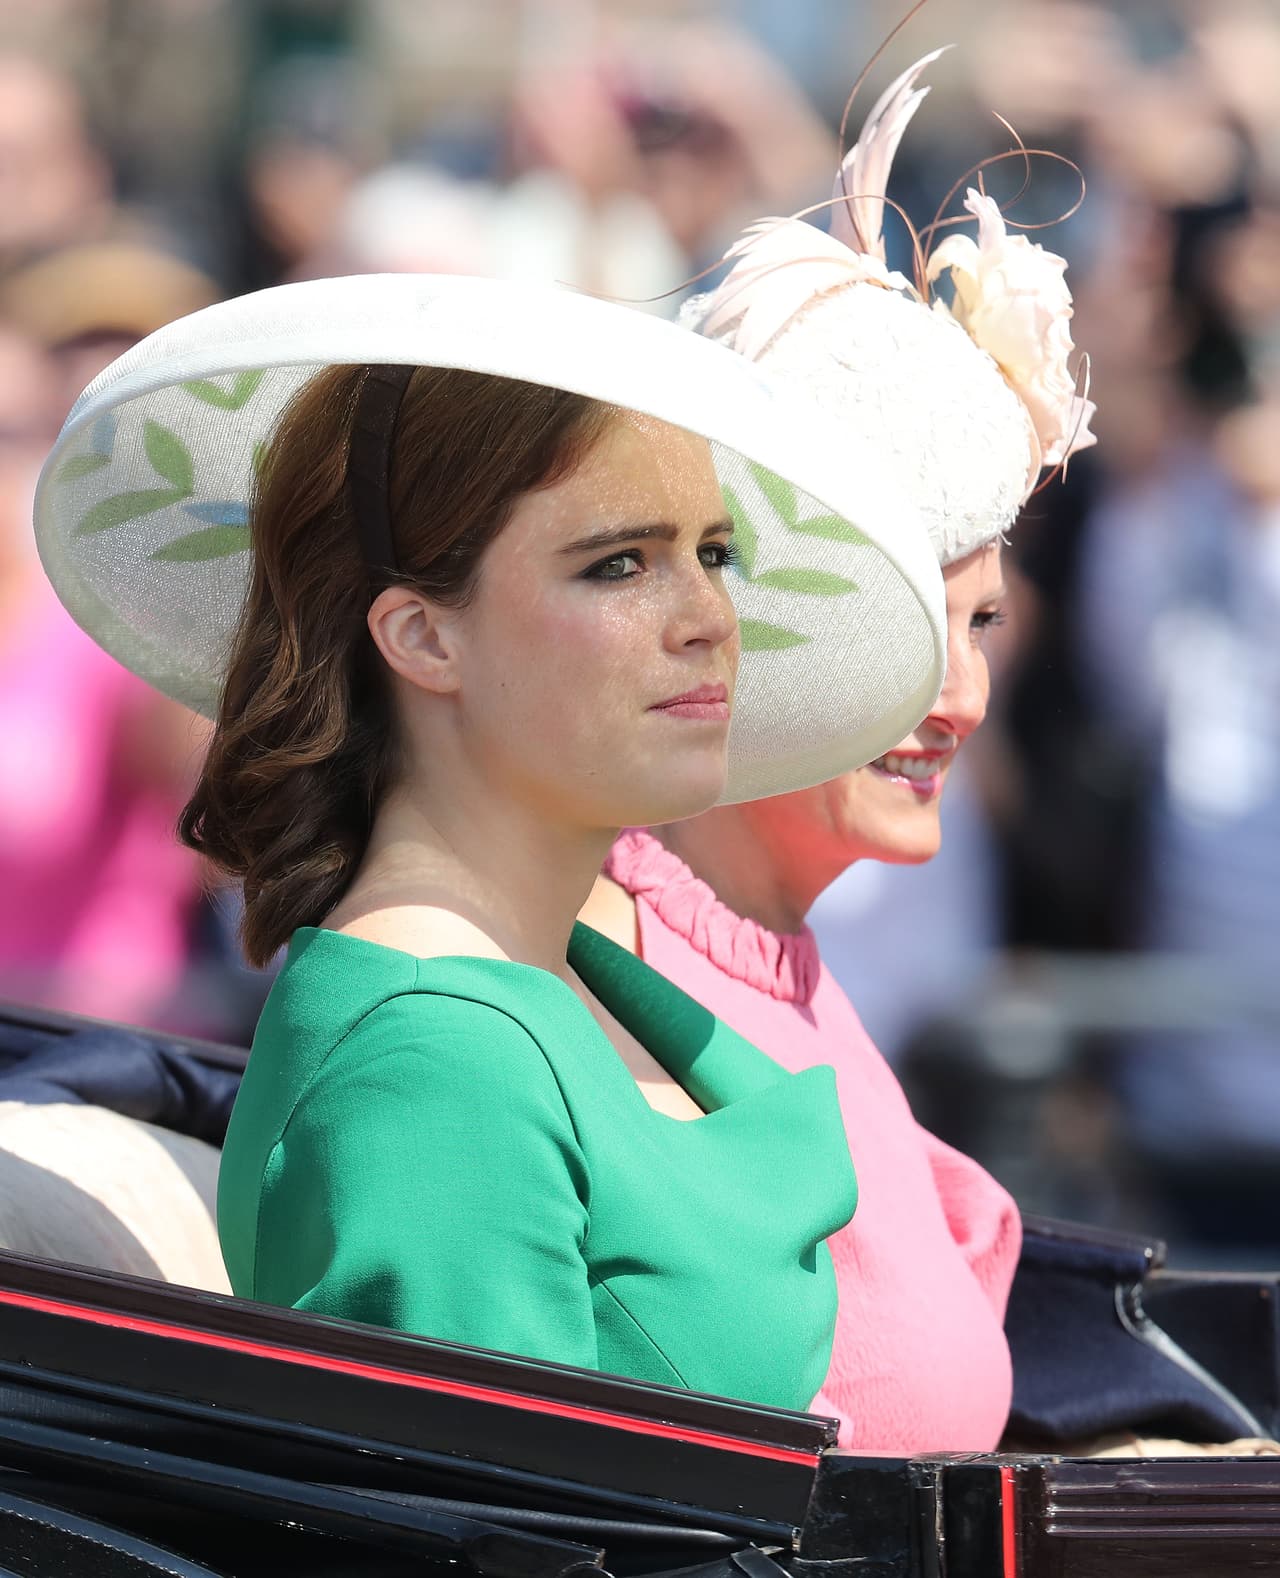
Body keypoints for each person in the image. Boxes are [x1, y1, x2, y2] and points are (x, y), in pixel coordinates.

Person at [34, 272, 945, 1411]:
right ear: (421, 635)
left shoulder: (557, 976)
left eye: (713, 552)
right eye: (618, 562)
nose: (708, 617)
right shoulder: (431, 1056)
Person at [580, 51, 1096, 1452]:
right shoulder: (589, 961)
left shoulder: (780, 963)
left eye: (983, 622)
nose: (960, 696)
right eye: (904, 622)